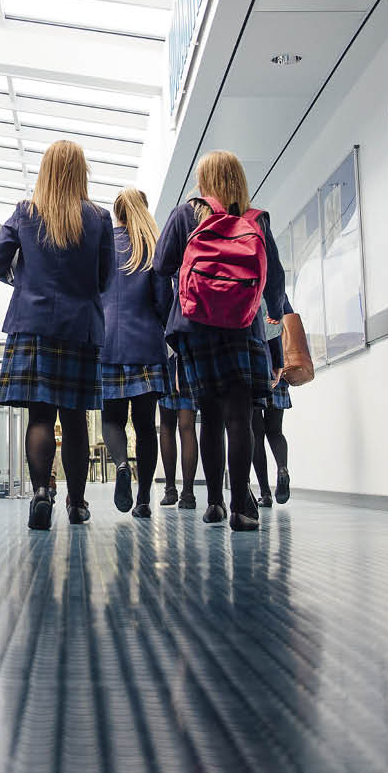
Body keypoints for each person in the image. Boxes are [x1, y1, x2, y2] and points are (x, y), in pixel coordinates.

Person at [152, 150, 285, 531]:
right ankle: (241, 503)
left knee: (208, 415)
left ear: (203, 180)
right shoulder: (256, 220)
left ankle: (213, 503)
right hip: (244, 329)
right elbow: (274, 279)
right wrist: (272, 314)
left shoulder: (185, 214)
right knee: (239, 417)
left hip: (197, 329)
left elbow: (161, 265)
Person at [0, 141, 114, 531]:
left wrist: (20, 277)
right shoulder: (99, 218)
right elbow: (105, 279)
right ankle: (77, 504)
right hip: (80, 328)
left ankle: (41, 493)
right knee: (75, 420)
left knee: (40, 416)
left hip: (33, 325)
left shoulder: (25, 212)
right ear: (81, 173)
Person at [99, 188, 172, 518]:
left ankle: (122, 466)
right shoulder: (152, 245)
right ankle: (143, 498)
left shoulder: (102, 243)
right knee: (145, 426)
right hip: (146, 345)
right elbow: (163, 302)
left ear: (116, 213)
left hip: (107, 343)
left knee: (112, 419)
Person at [252, 294, 293, 506]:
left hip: (256, 365)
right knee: (275, 430)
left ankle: (265, 493)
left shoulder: (250, 285)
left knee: (256, 435)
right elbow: (289, 319)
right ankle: (282, 469)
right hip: (278, 367)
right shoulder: (276, 292)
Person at [158, 359, 199, 511]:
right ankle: (188, 493)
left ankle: (170, 490)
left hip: (166, 359)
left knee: (167, 425)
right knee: (187, 427)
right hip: (188, 357)